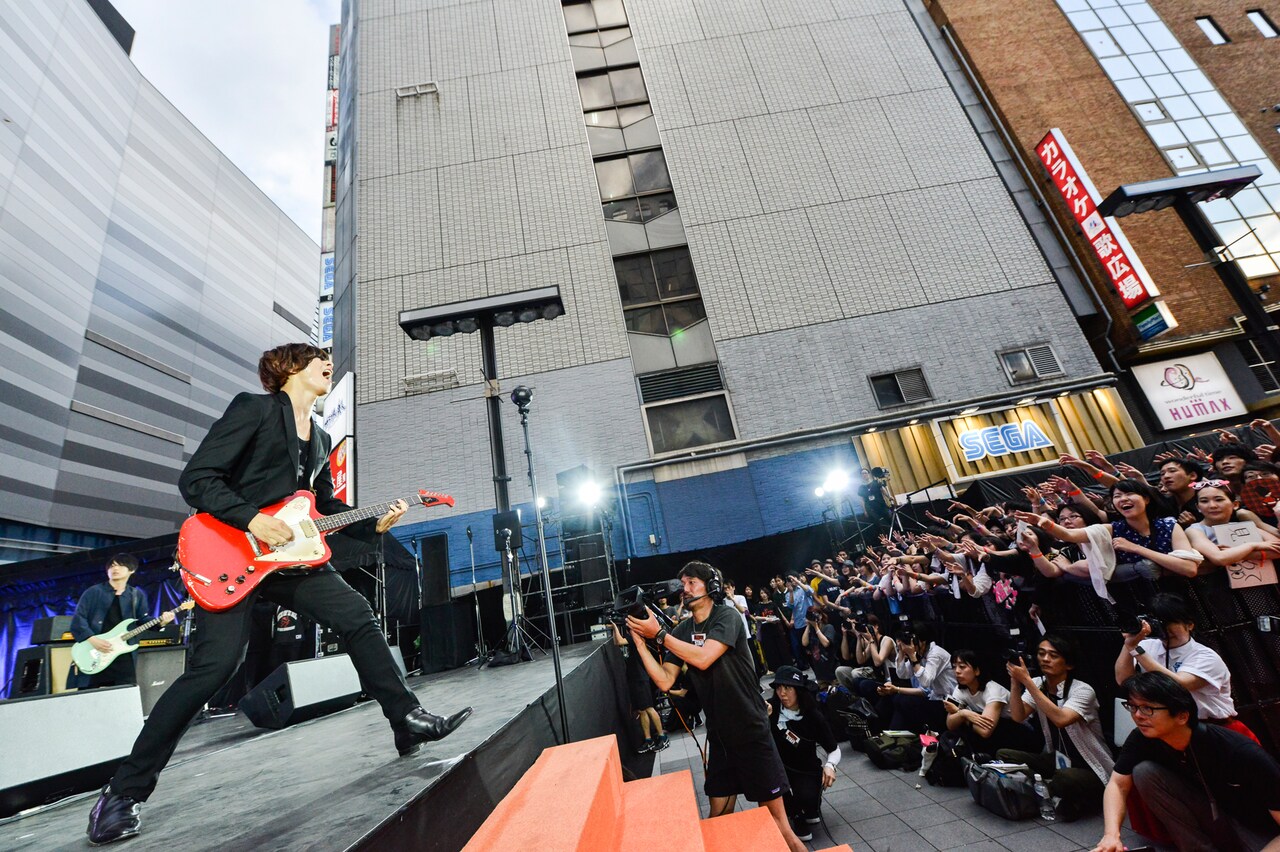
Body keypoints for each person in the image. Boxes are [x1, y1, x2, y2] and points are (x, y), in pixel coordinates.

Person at [86, 344, 472, 846]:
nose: (329, 365)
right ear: (289, 369)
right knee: (212, 671)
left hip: (288, 561)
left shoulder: (322, 436)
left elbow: (324, 507)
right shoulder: (254, 409)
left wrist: (373, 524)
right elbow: (197, 479)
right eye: (318, 360)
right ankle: (121, 794)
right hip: (229, 554)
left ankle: (406, 718)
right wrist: (252, 520)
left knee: (356, 614)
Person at [626, 561, 807, 852]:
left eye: (691, 583)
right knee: (718, 817)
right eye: (683, 584)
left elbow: (703, 658)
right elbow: (663, 680)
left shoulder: (728, 617)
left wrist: (659, 635)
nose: (684, 590)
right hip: (720, 734)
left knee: (779, 826)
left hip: (749, 727)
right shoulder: (683, 629)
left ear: (711, 587)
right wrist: (639, 642)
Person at [1092, 672, 1280, 852]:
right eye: (1133, 706)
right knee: (1145, 772)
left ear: (1182, 716)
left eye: (1148, 708)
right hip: (1216, 815)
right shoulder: (1142, 737)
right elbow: (1117, 784)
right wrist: (1111, 835)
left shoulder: (1239, 752)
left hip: (1260, 828)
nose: (1137, 715)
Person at [1001, 634, 1114, 820]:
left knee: (1065, 778)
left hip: (1090, 766)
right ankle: (1049, 791)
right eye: (1041, 653)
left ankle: (1046, 790)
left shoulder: (1083, 690)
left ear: (1068, 664)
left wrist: (1027, 682)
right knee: (1004, 755)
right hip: (1057, 759)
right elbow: (1017, 715)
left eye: (1053, 655)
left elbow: (1061, 719)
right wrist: (1015, 683)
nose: (1045, 659)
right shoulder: (1039, 684)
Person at [1114, 592, 1255, 740]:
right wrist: (1129, 643)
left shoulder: (1206, 656)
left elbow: (1179, 684)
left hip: (1214, 730)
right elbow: (1124, 680)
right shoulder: (1146, 646)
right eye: (1159, 623)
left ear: (1189, 624)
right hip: (1172, 731)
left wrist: (1136, 650)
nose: (1165, 630)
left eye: (1171, 623)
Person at [69, 555, 175, 690]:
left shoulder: (136, 595)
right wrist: (92, 639)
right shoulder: (94, 592)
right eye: (112, 566)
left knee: (124, 693)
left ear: (131, 570)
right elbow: (79, 619)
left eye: (120, 565)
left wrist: (162, 622)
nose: (115, 568)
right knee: (89, 695)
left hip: (123, 654)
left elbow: (142, 621)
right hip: (95, 649)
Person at [767, 667, 840, 842]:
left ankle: (808, 807)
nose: (782, 693)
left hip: (805, 768)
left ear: (798, 690)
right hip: (778, 767)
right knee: (772, 787)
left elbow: (834, 749)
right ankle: (795, 815)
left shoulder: (813, 715)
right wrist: (765, 719)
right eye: (778, 688)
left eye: (788, 688)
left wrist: (830, 766)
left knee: (808, 799)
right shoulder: (771, 708)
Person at [943, 650, 1040, 752]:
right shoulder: (960, 689)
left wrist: (963, 715)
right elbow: (950, 724)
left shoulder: (993, 690)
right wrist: (963, 713)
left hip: (1019, 732)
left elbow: (985, 731)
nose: (957, 671)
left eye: (962, 667)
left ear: (977, 671)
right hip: (996, 732)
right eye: (954, 667)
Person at [877, 622, 956, 733]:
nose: (910, 644)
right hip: (935, 699)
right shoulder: (919, 653)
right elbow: (903, 674)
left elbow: (925, 682)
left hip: (949, 702)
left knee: (905, 701)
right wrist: (900, 652)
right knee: (897, 699)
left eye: (912, 640)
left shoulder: (936, 653)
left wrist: (913, 657)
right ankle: (893, 734)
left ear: (923, 641)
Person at [610, 623, 669, 753]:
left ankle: (663, 737)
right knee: (642, 710)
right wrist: (614, 629)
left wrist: (614, 626)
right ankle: (648, 740)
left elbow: (620, 641)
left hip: (640, 677)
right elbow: (616, 642)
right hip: (633, 677)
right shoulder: (629, 635)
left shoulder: (636, 635)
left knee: (649, 708)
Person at [835, 613, 895, 699]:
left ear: (876, 626)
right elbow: (860, 660)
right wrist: (859, 636)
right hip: (880, 675)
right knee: (843, 672)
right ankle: (855, 699)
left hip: (891, 679)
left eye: (868, 626)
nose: (866, 629)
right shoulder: (869, 640)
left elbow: (878, 662)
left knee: (857, 675)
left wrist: (870, 639)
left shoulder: (886, 640)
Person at [783, 573, 814, 670]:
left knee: (815, 646)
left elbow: (810, 591)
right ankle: (810, 667)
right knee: (805, 647)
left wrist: (798, 582)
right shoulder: (788, 594)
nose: (792, 581)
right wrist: (791, 591)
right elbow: (791, 605)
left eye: (793, 579)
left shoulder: (804, 587)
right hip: (799, 623)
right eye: (790, 580)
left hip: (811, 620)